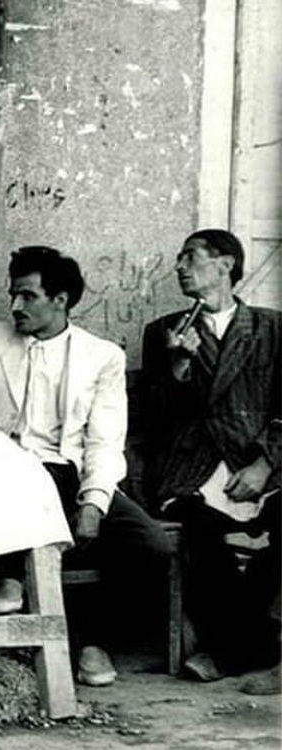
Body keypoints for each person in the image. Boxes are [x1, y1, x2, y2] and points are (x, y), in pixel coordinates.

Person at [0, 245, 173, 687]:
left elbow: (105, 442)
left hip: (72, 477)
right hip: (6, 475)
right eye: (13, 294)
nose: (15, 305)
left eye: (27, 296)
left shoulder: (102, 356)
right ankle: (49, 619)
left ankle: (86, 631)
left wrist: (94, 503)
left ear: (60, 300)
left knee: (151, 546)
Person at [141, 229, 280, 694]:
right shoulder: (163, 331)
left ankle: (227, 650)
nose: (179, 267)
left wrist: (264, 464)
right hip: (193, 469)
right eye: (179, 259)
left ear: (225, 264)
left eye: (190, 257)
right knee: (201, 539)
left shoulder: (272, 328)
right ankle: (254, 649)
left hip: (255, 465)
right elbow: (155, 417)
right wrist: (178, 366)